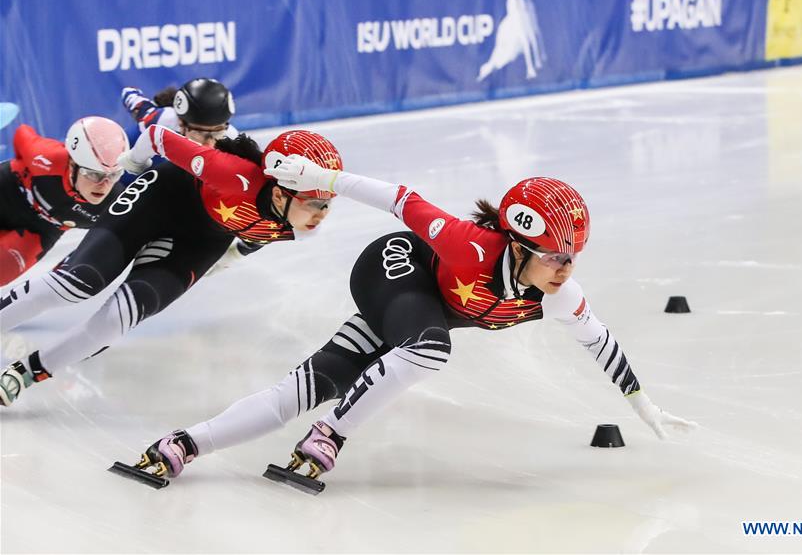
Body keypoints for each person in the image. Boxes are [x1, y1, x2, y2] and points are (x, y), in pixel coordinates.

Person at [129, 158, 696, 484]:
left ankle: (181, 445)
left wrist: (645, 406)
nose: (564, 270)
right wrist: (321, 179)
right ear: (518, 245)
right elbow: (400, 198)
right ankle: (331, 435)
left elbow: (601, 345)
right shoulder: (471, 245)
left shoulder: (556, 293)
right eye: (553, 257)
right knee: (429, 349)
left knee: (307, 386)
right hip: (391, 270)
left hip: (415, 317)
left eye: (572, 258)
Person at [0, 126, 342, 406]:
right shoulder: (232, 174)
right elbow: (155, 136)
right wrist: (134, 165)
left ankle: (25, 374)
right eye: (315, 204)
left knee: (122, 317)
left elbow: (252, 241)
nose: (322, 216)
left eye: (328, 204)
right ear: (281, 194)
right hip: (159, 199)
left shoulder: (300, 226)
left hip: (200, 241)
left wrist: (227, 260)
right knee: (78, 282)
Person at [0, 117, 128, 285]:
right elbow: (21, 132)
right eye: (94, 174)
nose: (103, 186)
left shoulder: (115, 205)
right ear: (73, 164)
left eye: (113, 176)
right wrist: (22, 167)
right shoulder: (46, 156)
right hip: (8, 190)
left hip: (40, 230)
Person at [120, 77, 237, 146]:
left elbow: (129, 94)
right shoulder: (162, 120)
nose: (209, 144)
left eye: (217, 131)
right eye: (199, 132)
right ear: (180, 122)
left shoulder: (232, 137)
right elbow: (129, 94)